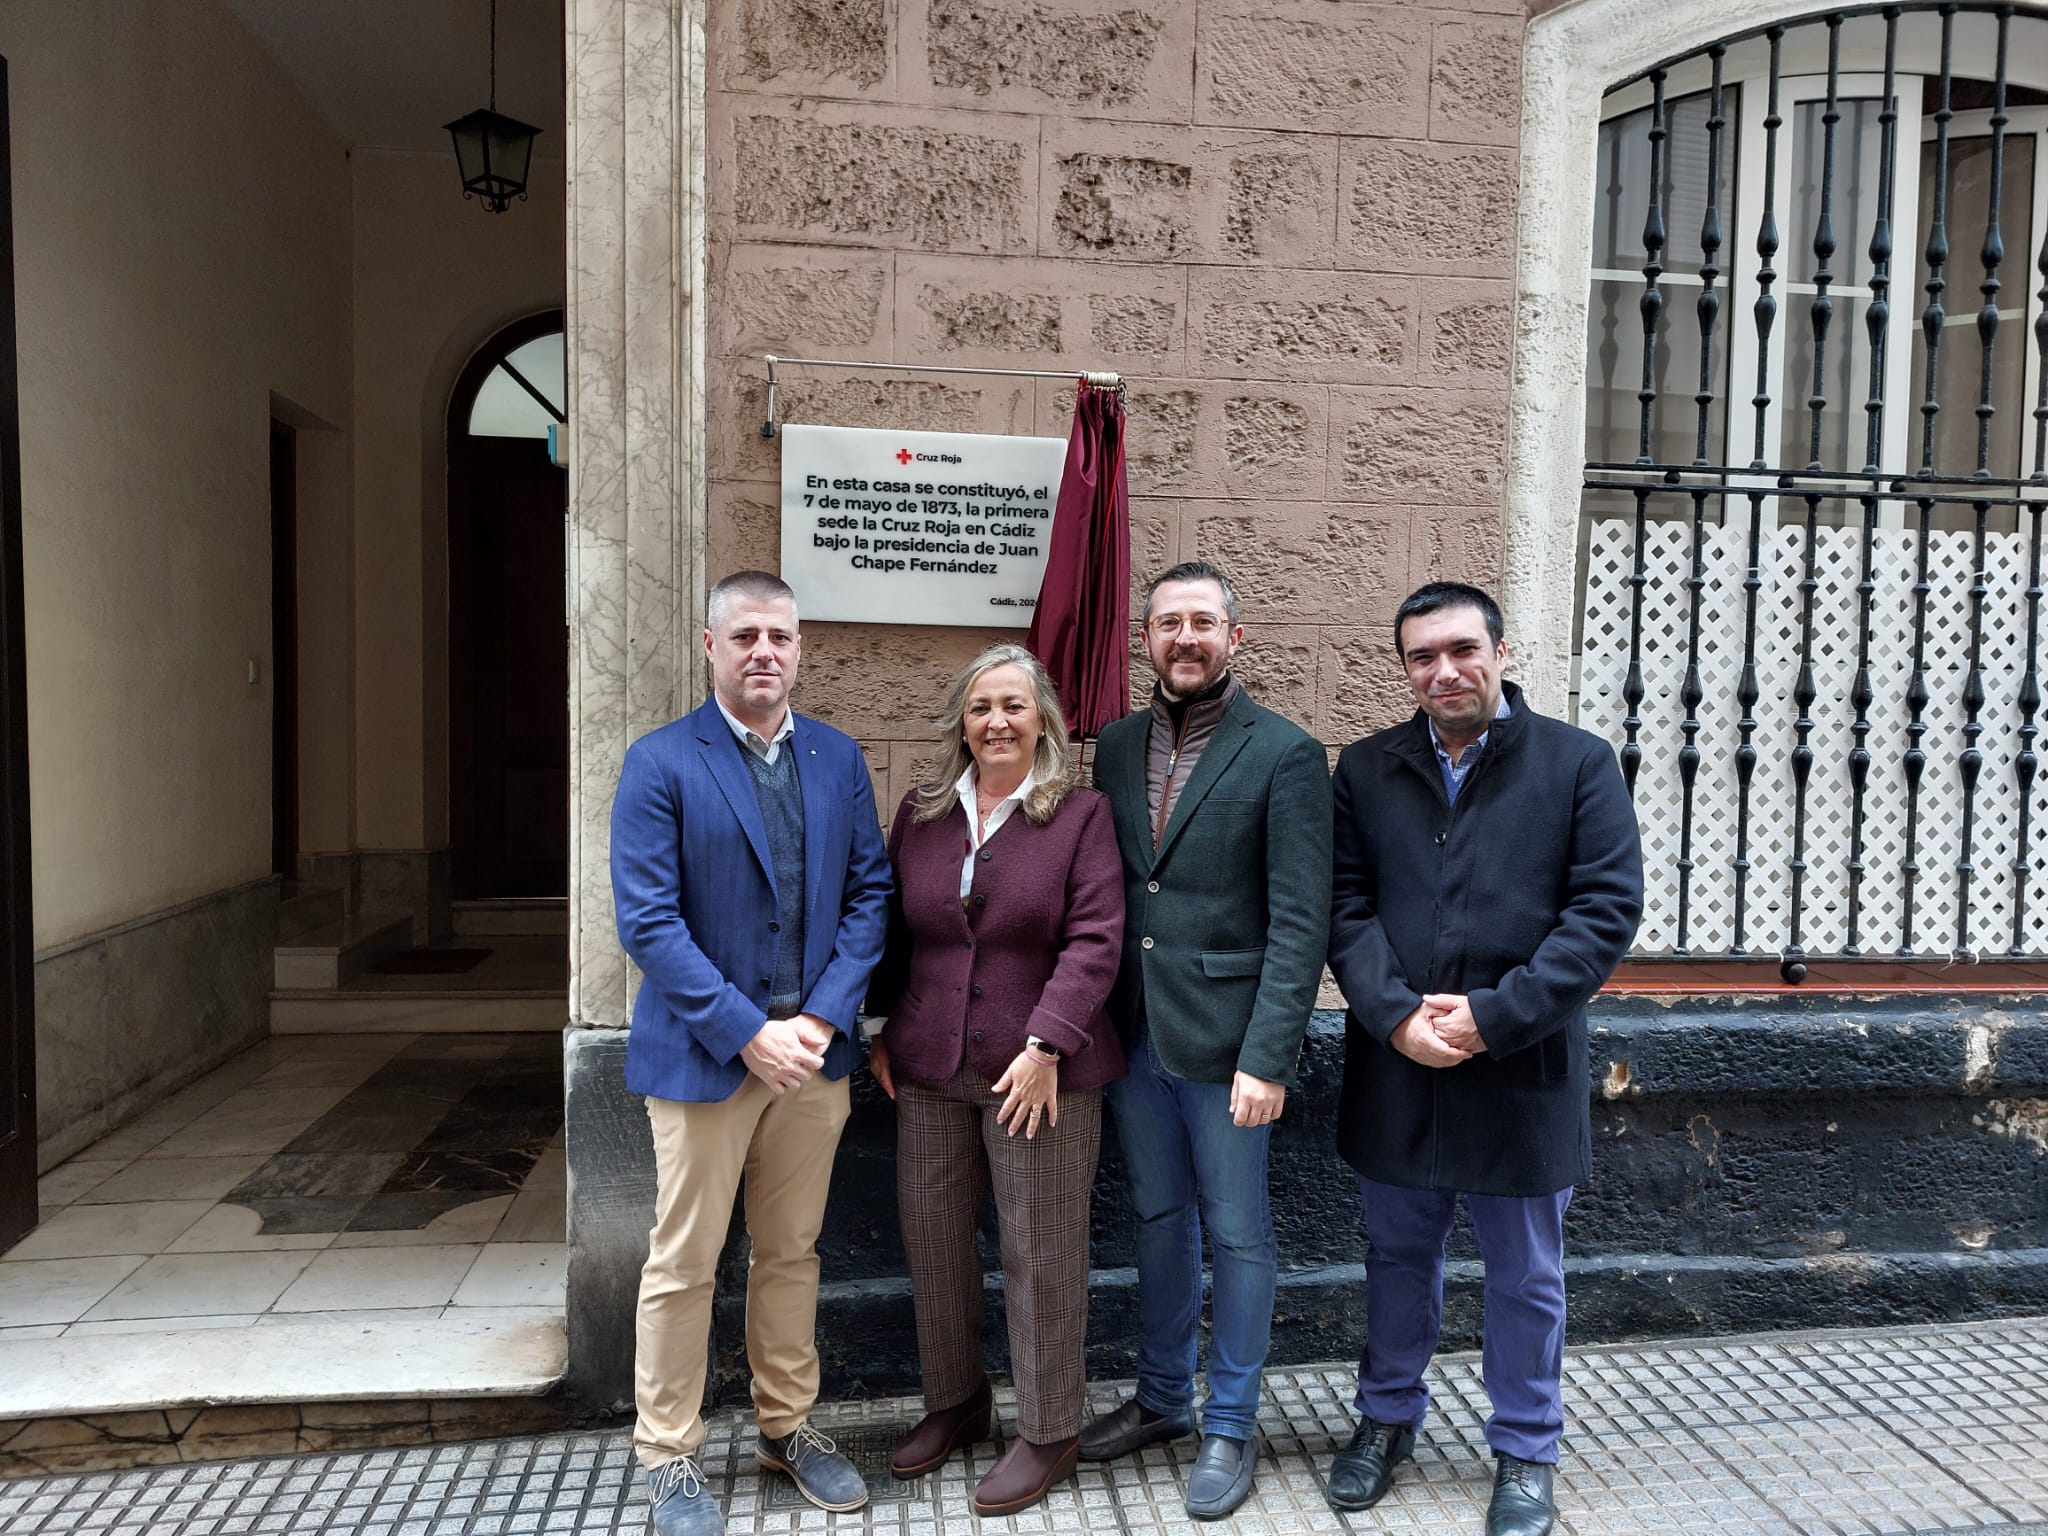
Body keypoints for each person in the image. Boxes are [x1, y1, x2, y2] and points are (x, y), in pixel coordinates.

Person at [1324, 582, 1643, 1536]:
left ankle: (1525, 1450)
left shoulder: (1579, 764)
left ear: (1501, 652)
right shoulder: (1366, 769)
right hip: (1399, 1063)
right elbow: (1344, 905)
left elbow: (1604, 913)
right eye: (1423, 656)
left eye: (1462, 648)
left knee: (1527, 1276)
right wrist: (1392, 1018)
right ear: (1407, 668)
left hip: (1522, 1066)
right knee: (1395, 1257)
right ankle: (1386, 1423)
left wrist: (1493, 1018)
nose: (1445, 670)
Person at [610, 570, 893, 1536]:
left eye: (779, 636)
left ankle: (789, 1427)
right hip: (704, 1060)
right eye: (745, 637)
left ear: (799, 647)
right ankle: (669, 1454)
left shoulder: (837, 757)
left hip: (812, 1058)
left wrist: (819, 1019)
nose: (764, 652)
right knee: (684, 1260)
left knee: (793, 1253)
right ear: (710, 646)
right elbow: (647, 923)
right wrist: (747, 1031)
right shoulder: (660, 762)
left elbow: (870, 898)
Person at [1079, 560, 1333, 1519]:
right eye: (1167, 624)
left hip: (1230, 1048)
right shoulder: (1111, 747)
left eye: (1202, 623)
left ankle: (1230, 1421)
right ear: (1146, 640)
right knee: (1156, 1219)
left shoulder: (1287, 754)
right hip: (1133, 1033)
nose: (1184, 639)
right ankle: (1160, 1400)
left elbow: (1301, 923)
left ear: (1236, 636)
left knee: (1238, 1232)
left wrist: (1270, 1056)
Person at [864, 642, 1126, 1515]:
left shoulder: (1079, 815)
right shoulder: (925, 811)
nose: (997, 722)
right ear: (961, 722)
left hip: (1041, 1075)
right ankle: (958, 1401)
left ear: (1042, 720)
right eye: (981, 708)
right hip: (930, 1064)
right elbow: (893, 934)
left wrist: (1048, 1044)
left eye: (1015, 706)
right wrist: (880, 1028)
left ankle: (1049, 1427)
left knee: (1039, 1251)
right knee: (933, 1239)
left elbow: (1097, 940)